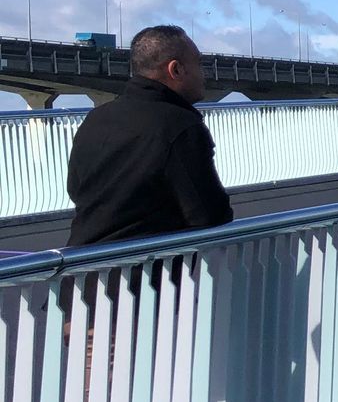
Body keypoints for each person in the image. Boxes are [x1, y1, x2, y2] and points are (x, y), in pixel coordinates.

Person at [66, 23, 233, 246]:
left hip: (80, 269)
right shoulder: (180, 126)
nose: (204, 75)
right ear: (176, 70)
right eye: (199, 63)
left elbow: (76, 189)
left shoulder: (96, 118)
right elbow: (209, 214)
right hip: (145, 273)